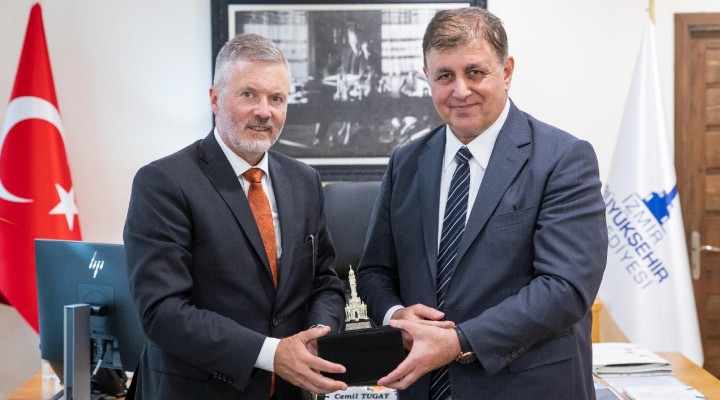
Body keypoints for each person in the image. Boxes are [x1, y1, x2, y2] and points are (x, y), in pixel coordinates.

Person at [356, 7, 608, 400]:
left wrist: (459, 340)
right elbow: (374, 271)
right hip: (423, 388)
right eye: (444, 76)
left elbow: (565, 288)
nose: (460, 90)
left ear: (506, 71)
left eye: (475, 72)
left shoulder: (562, 159)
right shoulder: (406, 162)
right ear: (427, 78)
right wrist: (396, 315)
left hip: (526, 388)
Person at [123, 33, 348, 399]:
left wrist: (318, 336)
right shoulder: (163, 182)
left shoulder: (305, 181)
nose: (264, 111)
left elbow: (324, 281)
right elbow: (162, 311)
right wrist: (272, 354)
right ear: (215, 99)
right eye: (248, 94)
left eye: (276, 98)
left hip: (291, 392)